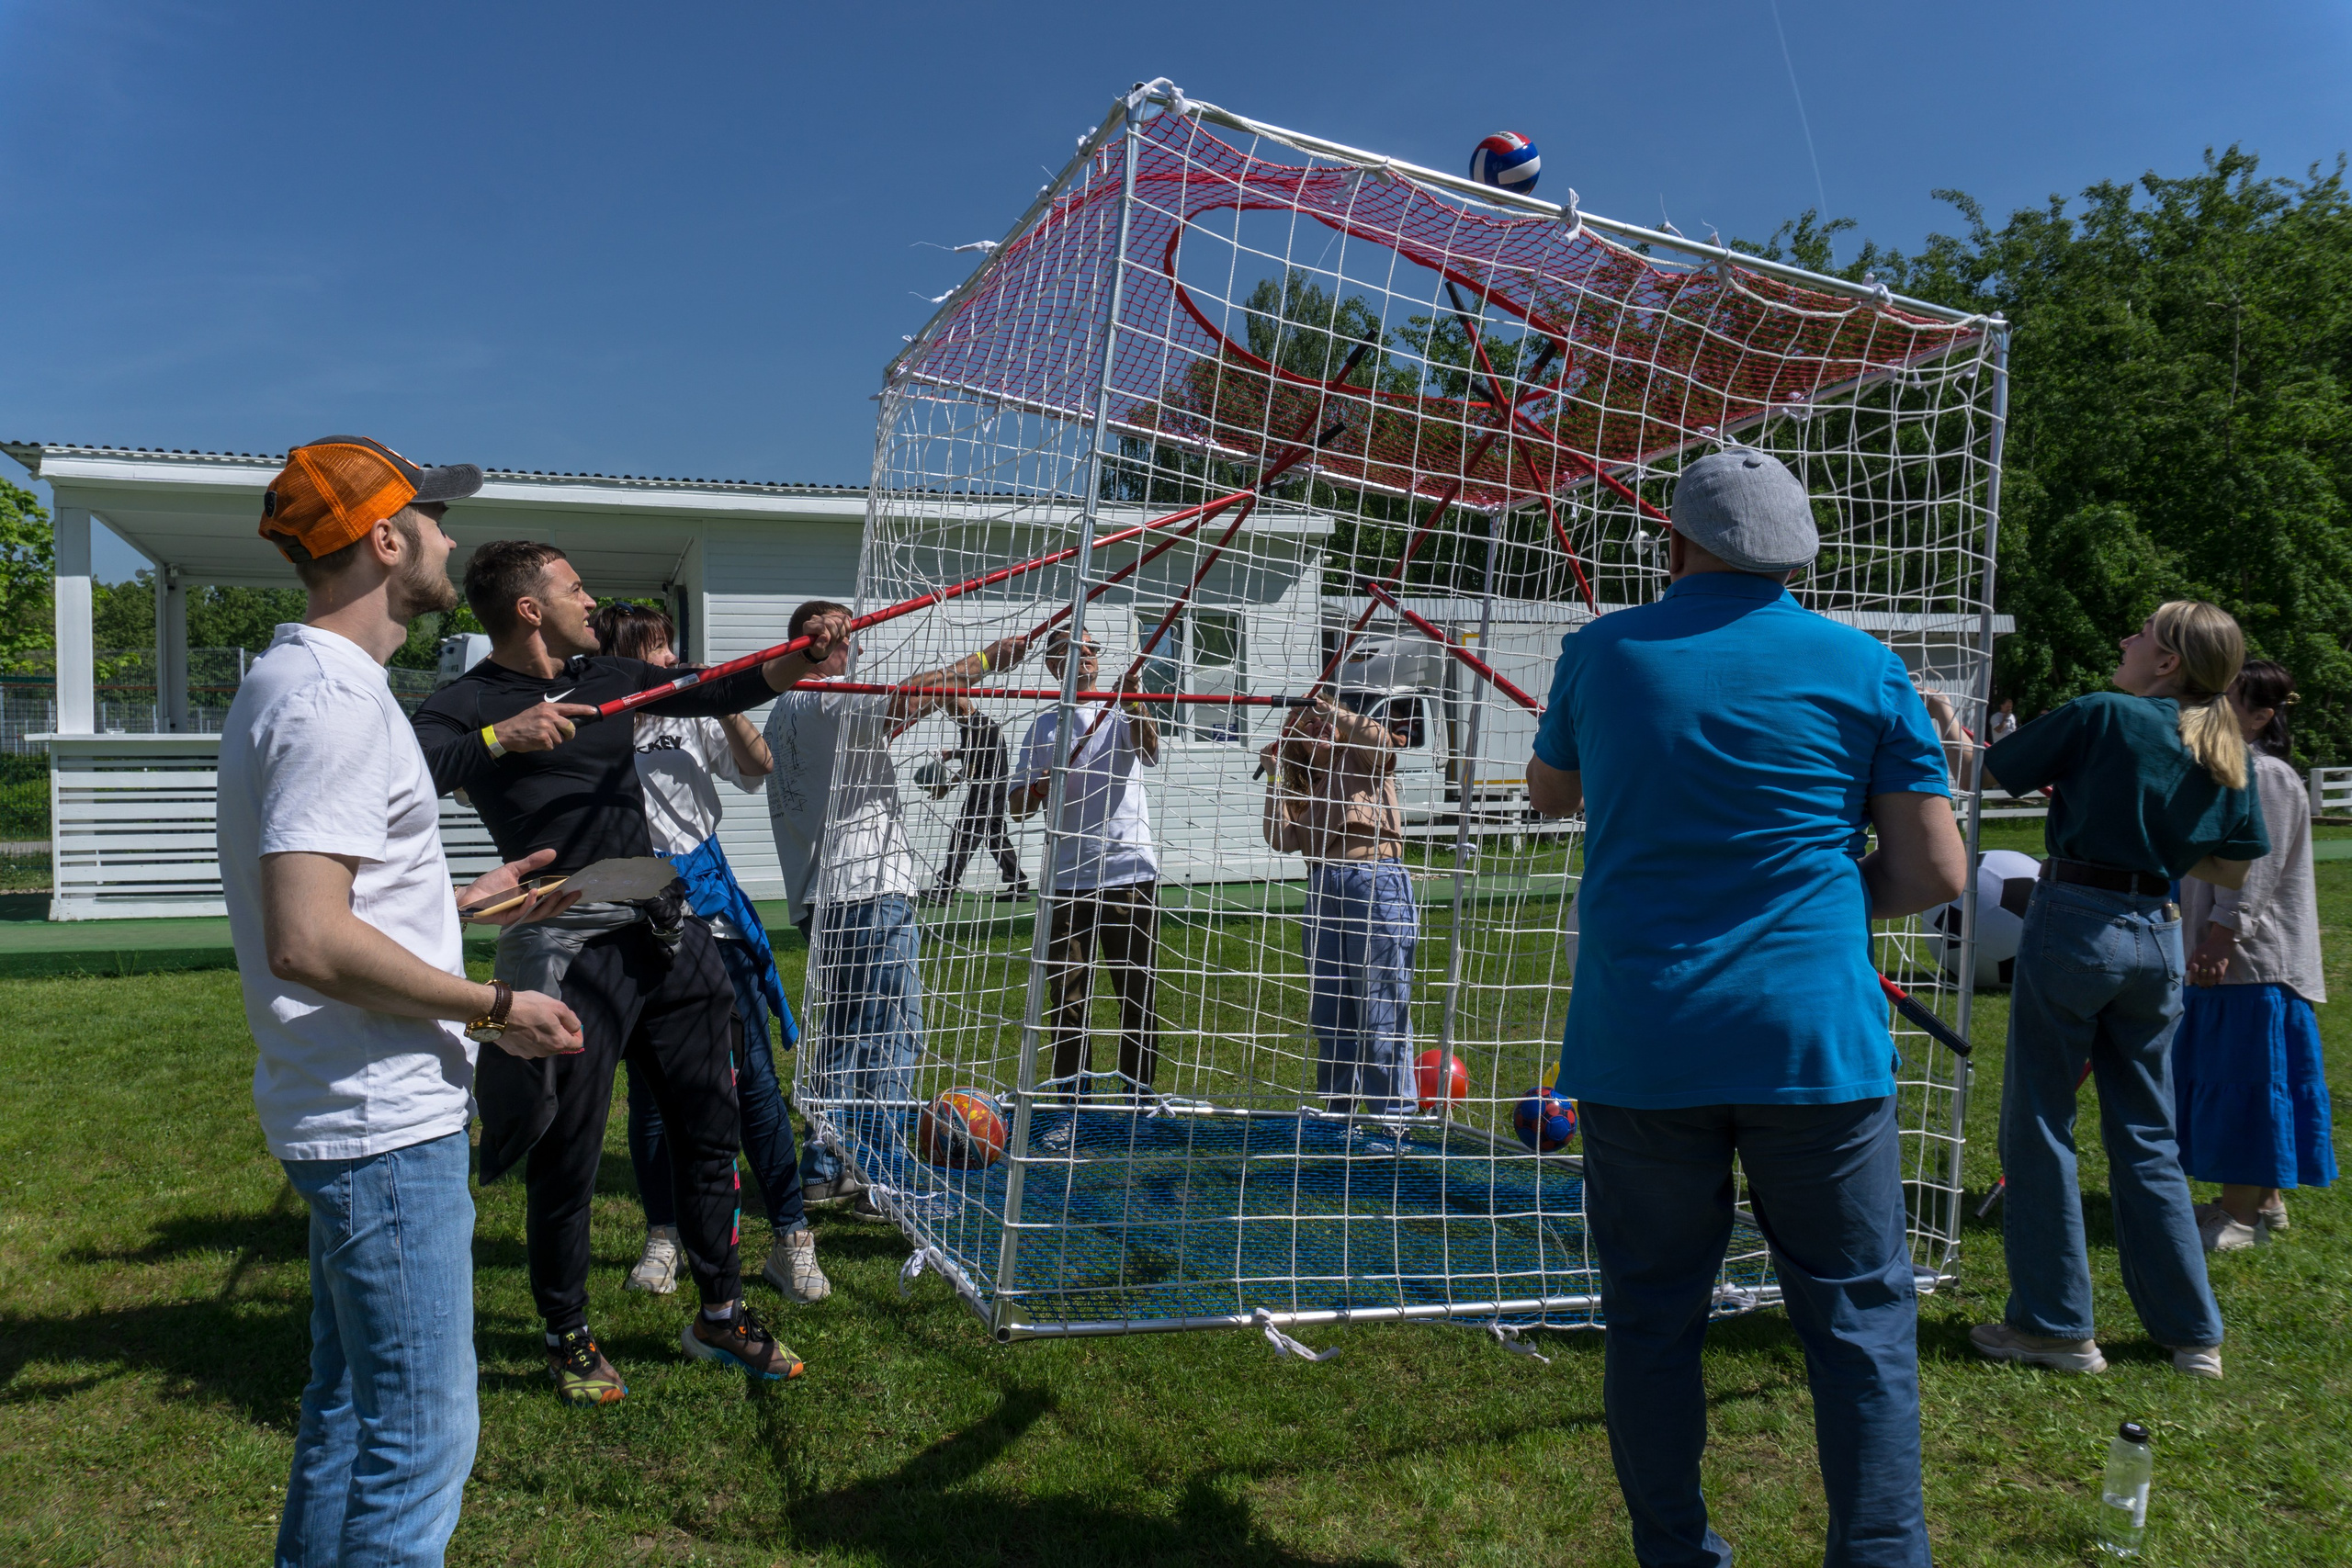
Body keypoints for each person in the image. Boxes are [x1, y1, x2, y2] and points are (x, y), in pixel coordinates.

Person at [1526, 448, 1966, 1568]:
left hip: (1643, 1044)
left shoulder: (1600, 652)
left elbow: (1551, 793)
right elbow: (1933, 874)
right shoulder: (1864, 666)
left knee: (1653, 1316)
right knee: (1859, 1319)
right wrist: (1819, 898)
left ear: (1675, 543)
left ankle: (1675, 1555)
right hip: (1812, 1036)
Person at [222, 436, 584, 1566]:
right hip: (380, 1122)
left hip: (352, 1108)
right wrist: (492, 1008)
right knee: (422, 1442)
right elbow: (309, 939)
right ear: (386, 542)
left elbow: (340, 902)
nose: (450, 538)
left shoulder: (314, 685)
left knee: (346, 1404)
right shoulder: (331, 699)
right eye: (430, 517)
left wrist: (454, 900)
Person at [413, 543, 825, 1404]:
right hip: (562, 943)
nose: (589, 600)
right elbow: (403, 776)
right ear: (529, 608)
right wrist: (501, 737)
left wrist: (798, 657)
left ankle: (721, 1311)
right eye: (574, 589)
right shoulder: (465, 702)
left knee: (709, 1125)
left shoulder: (604, 674)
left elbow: (716, 687)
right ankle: (568, 1332)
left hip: (662, 923)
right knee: (567, 1148)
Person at [1972, 600, 2268, 1382]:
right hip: (2158, 931)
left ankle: (2055, 1324)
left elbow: (1978, 772)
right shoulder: (2225, 743)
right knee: (2147, 1138)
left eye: (2140, 631)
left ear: (2168, 661)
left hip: (2074, 921)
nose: (2125, 638)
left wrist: (1937, 718)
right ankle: (2192, 1334)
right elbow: (2227, 868)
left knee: (2040, 1124)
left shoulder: (2102, 713)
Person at [589, 603, 829, 1304]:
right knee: (654, 1100)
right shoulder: (598, 725)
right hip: (640, 916)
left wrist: (724, 700)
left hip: (714, 919)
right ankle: (663, 1238)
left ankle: (790, 1238)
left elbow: (758, 764)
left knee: (753, 1082)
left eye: (670, 646)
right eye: (653, 649)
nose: (668, 659)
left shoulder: (695, 714)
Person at [763, 600, 1029, 1204]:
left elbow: (893, 718)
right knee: (891, 1029)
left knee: (844, 1035)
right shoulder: (829, 695)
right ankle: (878, 1173)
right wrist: (990, 659)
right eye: (842, 634)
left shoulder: (787, 709)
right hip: (867, 889)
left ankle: (824, 1166)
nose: (854, 644)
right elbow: (912, 693)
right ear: (814, 642)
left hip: (822, 897)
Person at [2172, 660, 2334, 1250]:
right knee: (2233, 1079)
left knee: (2247, 1084)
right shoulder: (2228, 770)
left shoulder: (2264, 776)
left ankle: (2239, 1220)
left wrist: (2221, 936)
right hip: (2227, 963)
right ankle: (2260, 1200)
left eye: (2229, 700)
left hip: (2252, 965)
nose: (2211, 709)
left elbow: (2256, 872)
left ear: (2262, 716)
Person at [1012, 629, 1165, 1103]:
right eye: (1072, 652)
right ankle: (1071, 1104)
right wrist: (1037, 788)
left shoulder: (1121, 712)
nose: (1085, 659)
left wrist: (1137, 703)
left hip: (1128, 873)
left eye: (1092, 650)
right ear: (1054, 665)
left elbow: (1151, 751)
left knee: (1136, 992)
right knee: (1069, 998)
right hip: (1067, 880)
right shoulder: (1043, 728)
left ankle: (1140, 1097)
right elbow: (1016, 806)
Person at [1260, 691, 1416, 1116]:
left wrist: (1335, 713)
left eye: (1320, 718)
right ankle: (1338, 1114)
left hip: (1374, 882)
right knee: (1331, 1010)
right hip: (1322, 890)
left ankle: (1393, 1120)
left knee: (1380, 1003)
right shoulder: (1306, 783)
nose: (1316, 725)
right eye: (1304, 725)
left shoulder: (1360, 758)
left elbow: (1384, 742)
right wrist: (1275, 776)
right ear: (1295, 741)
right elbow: (1280, 838)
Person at [921, 696, 1031, 903]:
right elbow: (977, 755)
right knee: (995, 837)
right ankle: (1019, 884)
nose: (950, 717)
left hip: (984, 792)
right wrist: (953, 753)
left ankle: (945, 889)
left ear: (962, 709)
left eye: (950, 712)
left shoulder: (975, 728)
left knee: (964, 835)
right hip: (995, 790)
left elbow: (972, 768)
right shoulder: (981, 724)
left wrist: (946, 787)